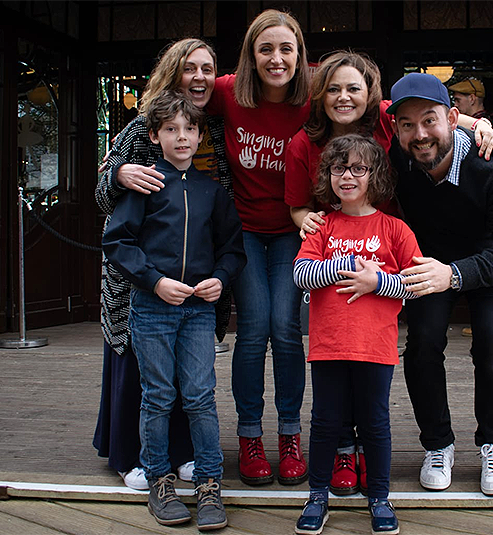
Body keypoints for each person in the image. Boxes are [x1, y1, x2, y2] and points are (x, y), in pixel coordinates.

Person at [284, 50, 493, 495]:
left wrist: (478, 125)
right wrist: (315, 230)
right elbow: (299, 224)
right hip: (391, 268)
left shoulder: (402, 131)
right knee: (421, 342)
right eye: (332, 88)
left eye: (354, 88)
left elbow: (425, 116)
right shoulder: (322, 148)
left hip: (455, 258)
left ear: (371, 98)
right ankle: (430, 445)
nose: (344, 97)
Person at [93, 38, 234, 490]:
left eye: (207, 69)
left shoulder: (210, 129)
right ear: (173, 72)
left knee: (192, 379)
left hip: (197, 280)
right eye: (189, 68)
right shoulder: (142, 127)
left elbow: (220, 206)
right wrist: (116, 174)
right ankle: (133, 456)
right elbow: (105, 200)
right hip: (140, 277)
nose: (199, 77)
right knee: (144, 372)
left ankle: (184, 454)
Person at [387, 73, 493, 496]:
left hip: (491, 257)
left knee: (491, 341)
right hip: (429, 258)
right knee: (422, 343)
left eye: (430, 120)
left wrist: (453, 274)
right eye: (407, 125)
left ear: (454, 118)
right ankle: (437, 445)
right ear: (396, 129)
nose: (420, 135)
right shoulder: (399, 161)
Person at [292, 134, 422, 535]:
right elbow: (300, 275)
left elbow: (415, 283)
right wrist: (346, 267)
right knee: (326, 421)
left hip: (376, 347)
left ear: (375, 175)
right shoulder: (321, 226)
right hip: (329, 345)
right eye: (338, 168)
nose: (347, 176)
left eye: (358, 168)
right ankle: (317, 496)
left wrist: (377, 281)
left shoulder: (394, 229)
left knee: (375, 423)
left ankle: (379, 498)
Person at [204, 9, 311, 486]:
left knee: (286, 328)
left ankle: (290, 434)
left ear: (299, 55)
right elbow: (166, 102)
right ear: (251, 54)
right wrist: (119, 161)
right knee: (253, 328)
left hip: (293, 227)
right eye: (265, 48)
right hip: (243, 229)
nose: (276, 58)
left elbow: (379, 105)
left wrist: (470, 126)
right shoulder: (227, 91)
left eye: (286, 48)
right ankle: (250, 437)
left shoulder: (313, 93)